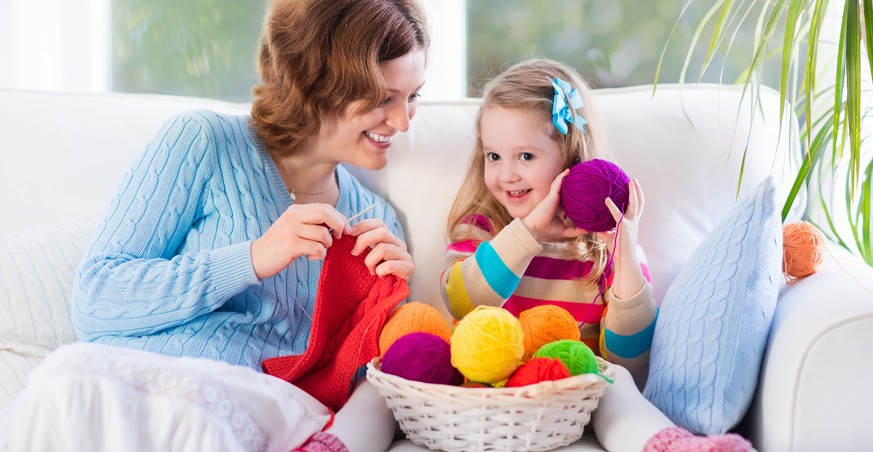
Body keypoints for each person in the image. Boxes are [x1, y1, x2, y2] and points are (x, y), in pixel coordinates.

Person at [0, 1, 427, 451]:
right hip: (128, 396)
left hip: (248, 414)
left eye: (413, 95)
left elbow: (360, 380)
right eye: (383, 98)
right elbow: (96, 299)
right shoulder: (203, 142)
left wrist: (386, 315)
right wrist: (251, 259)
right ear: (314, 83)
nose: (401, 122)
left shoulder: (377, 225)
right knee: (67, 386)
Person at [440, 58, 752, 452]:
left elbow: (629, 359)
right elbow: (462, 301)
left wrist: (624, 257)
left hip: (575, 400)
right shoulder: (483, 229)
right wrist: (529, 233)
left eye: (526, 157)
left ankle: (669, 445)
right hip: (495, 389)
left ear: (570, 160)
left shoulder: (600, 251)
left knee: (617, 384)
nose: (506, 175)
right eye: (494, 156)